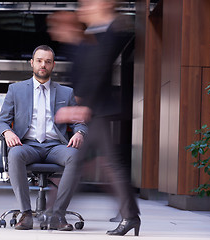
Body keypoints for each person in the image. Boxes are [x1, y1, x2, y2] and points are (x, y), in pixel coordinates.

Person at [48, 0, 141, 236]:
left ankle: (55, 213)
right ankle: (54, 213)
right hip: (91, 109)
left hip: (95, 110)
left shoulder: (109, 30)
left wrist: (80, 104)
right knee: (78, 162)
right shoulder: (93, 33)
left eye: (89, 3)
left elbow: (98, 69)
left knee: (101, 164)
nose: (84, 7)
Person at [0, 45, 87, 231]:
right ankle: (26, 213)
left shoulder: (66, 93)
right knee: (15, 154)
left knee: (75, 156)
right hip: (27, 145)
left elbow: (80, 122)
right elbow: (1, 122)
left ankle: (58, 215)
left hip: (56, 146)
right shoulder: (16, 90)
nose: (43, 65)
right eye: (39, 60)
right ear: (32, 63)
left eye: (47, 61)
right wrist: (7, 132)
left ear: (53, 65)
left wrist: (79, 132)